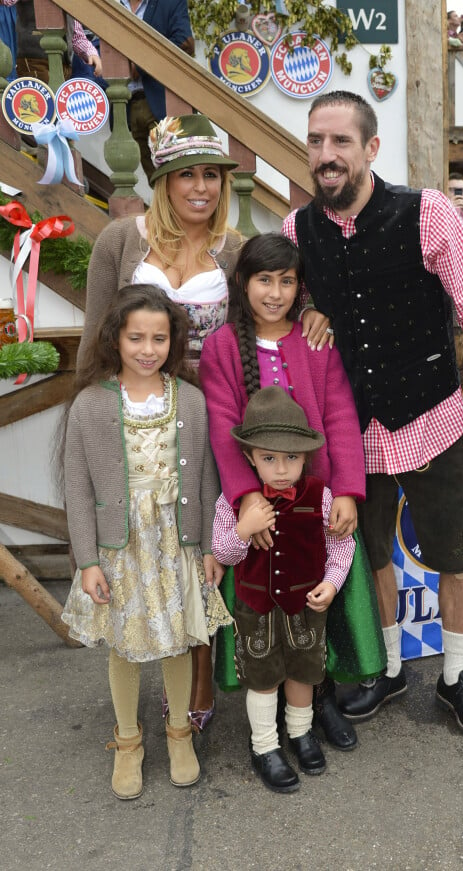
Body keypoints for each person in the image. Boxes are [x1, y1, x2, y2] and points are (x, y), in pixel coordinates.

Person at [282, 90, 463, 743]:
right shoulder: (296, 232)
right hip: (352, 428)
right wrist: (304, 314)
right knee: (373, 553)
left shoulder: (428, 214)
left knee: (456, 552)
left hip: (432, 415)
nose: (326, 155)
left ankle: (456, 675)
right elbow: (270, 306)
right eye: (316, 142)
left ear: (371, 148)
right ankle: (387, 669)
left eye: (340, 142)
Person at [77, 113, 242, 734]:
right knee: (137, 551)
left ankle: (196, 684)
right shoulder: (121, 240)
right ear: (164, 181)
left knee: (196, 550)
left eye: (212, 176)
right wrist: (92, 422)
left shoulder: (236, 249)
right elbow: (97, 335)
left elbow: (265, 324)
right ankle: (131, 694)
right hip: (134, 410)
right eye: (187, 175)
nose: (201, 188)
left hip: (210, 413)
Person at [199, 233, 387, 751]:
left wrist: (347, 490)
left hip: (316, 500)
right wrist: (245, 498)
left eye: (287, 281)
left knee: (317, 606)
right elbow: (222, 426)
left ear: (300, 287)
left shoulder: (315, 341)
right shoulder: (221, 348)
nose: (276, 293)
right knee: (269, 612)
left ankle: (317, 700)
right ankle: (272, 715)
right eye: (265, 280)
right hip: (262, 505)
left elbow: (341, 417)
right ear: (243, 283)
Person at [61, 285, 232, 800]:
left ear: (173, 341)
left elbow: (205, 478)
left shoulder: (192, 400)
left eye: (159, 338)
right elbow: (77, 485)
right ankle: (129, 740)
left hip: (175, 543)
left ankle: (180, 732)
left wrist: (207, 549)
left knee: (179, 639)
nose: (147, 348)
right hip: (123, 548)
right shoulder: (90, 405)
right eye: (136, 337)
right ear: (115, 339)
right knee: (127, 647)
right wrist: (87, 560)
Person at [211, 386, 356, 793]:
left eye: (291, 458)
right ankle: (264, 746)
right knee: (263, 678)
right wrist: (244, 529)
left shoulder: (320, 496)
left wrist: (331, 582)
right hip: (256, 609)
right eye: (268, 458)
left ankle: (300, 732)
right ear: (249, 458)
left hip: (306, 608)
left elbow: (342, 545)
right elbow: (224, 552)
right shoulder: (235, 502)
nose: (280, 469)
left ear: (305, 457)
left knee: (303, 673)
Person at [118, 0, 195, 181]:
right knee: (157, 180)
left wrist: (141, 63)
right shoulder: (112, 4)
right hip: (127, 105)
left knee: (175, 174)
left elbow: (184, 42)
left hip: (160, 103)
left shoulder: (170, 3)